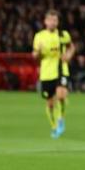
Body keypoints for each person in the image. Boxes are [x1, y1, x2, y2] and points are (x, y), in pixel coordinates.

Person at [32, 10, 74, 139]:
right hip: (46, 73)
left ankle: (61, 118)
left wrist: (68, 55)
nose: (53, 23)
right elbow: (34, 56)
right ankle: (54, 126)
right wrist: (38, 52)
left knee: (61, 95)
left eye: (55, 20)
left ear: (58, 22)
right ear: (45, 21)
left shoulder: (63, 34)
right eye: (50, 20)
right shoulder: (39, 36)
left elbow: (71, 47)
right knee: (50, 104)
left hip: (61, 70)